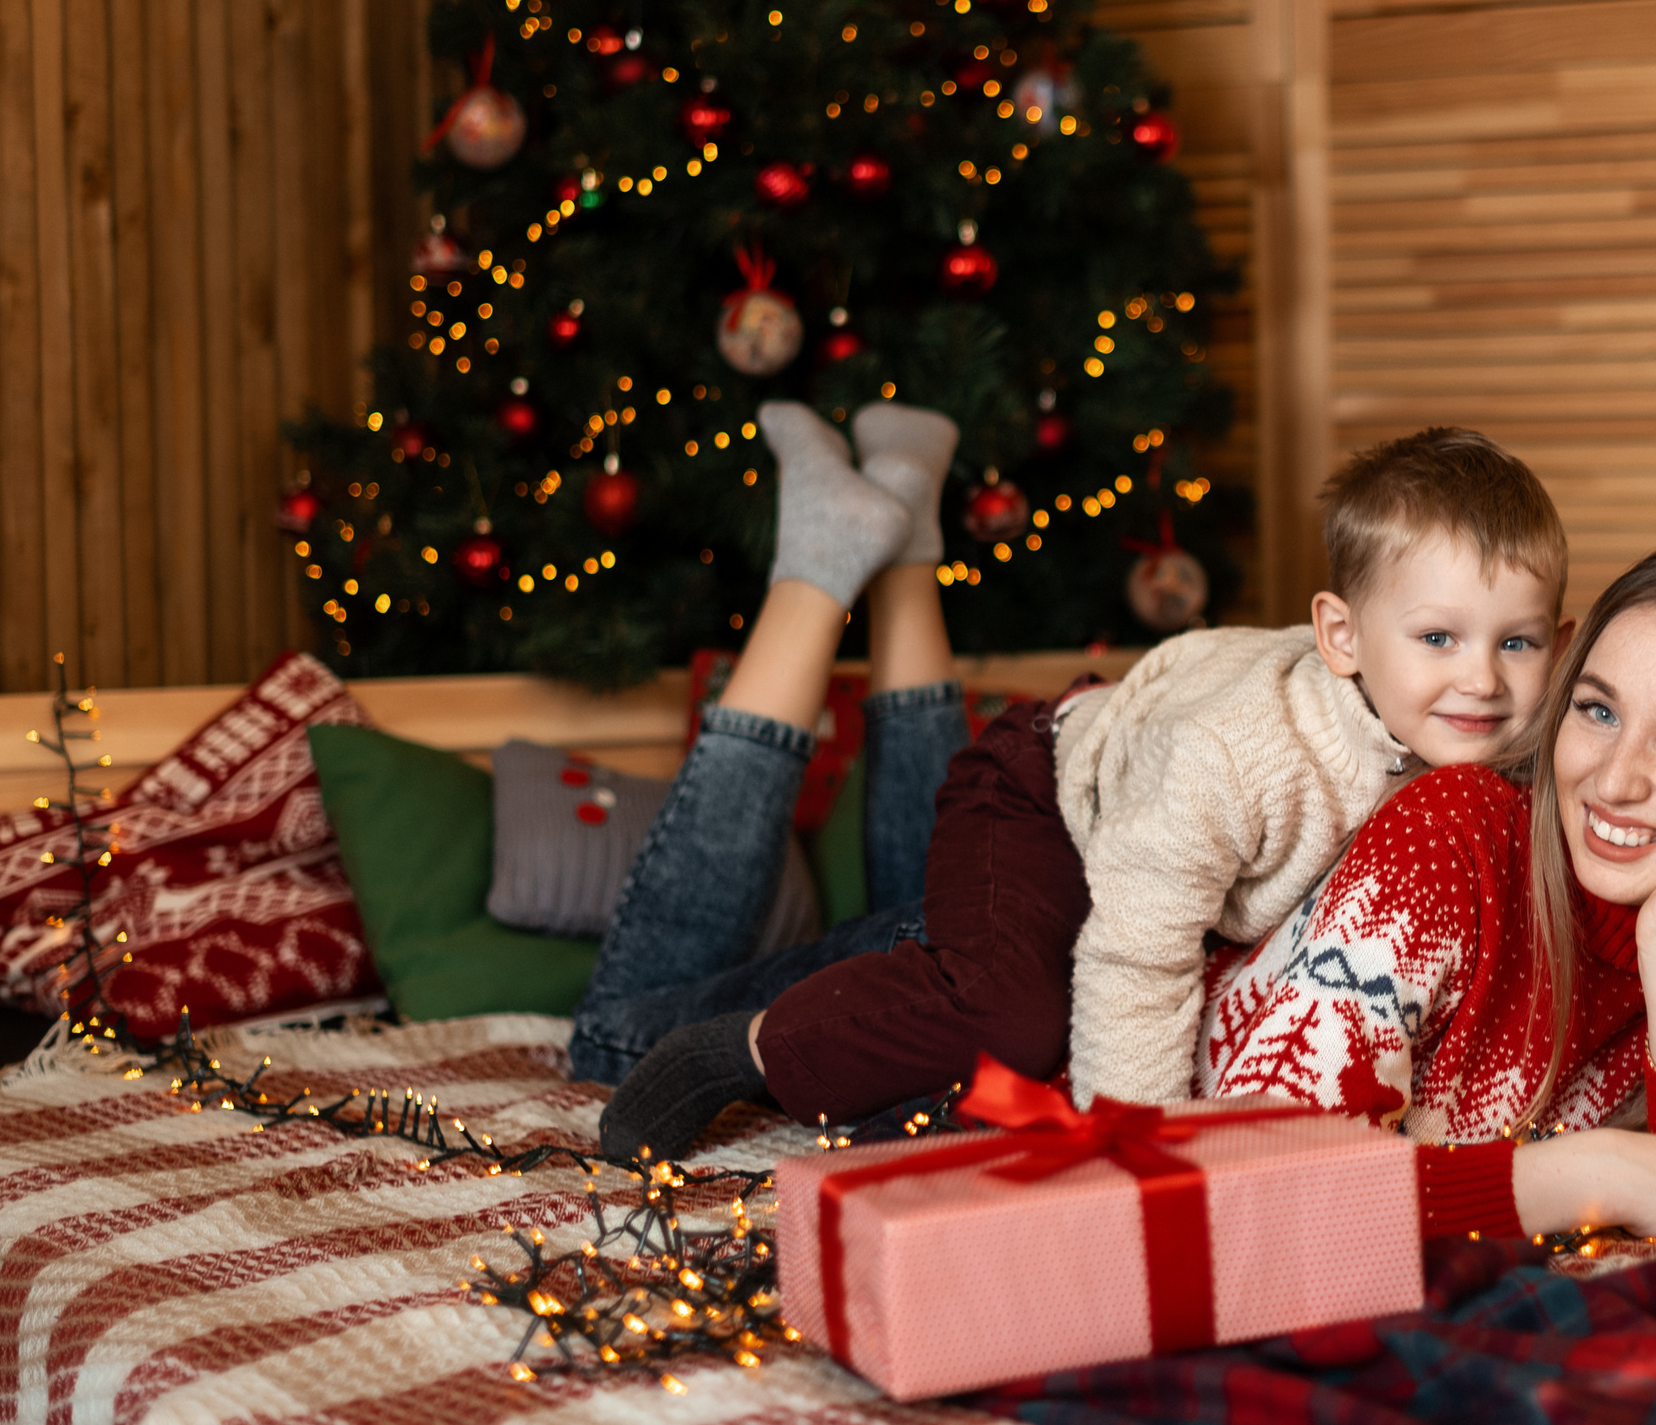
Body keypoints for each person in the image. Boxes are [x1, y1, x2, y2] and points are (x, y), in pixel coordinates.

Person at [579, 411, 1573, 1157]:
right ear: (1342, 637)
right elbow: (1138, 955)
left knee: (947, 955)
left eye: (1517, 643)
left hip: (1141, 762)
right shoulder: (1241, 758)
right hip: (1040, 792)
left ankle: (906, 539)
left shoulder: (1500, 738)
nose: (1482, 679)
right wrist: (1133, 1149)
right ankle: (735, 1046)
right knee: (1010, 1007)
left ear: (1558, 646)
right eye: (1438, 637)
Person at [1201, 540, 1656, 1244]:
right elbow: (1248, 1202)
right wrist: (1593, 1175)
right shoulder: (1449, 838)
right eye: (1598, 710)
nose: (1612, 780)